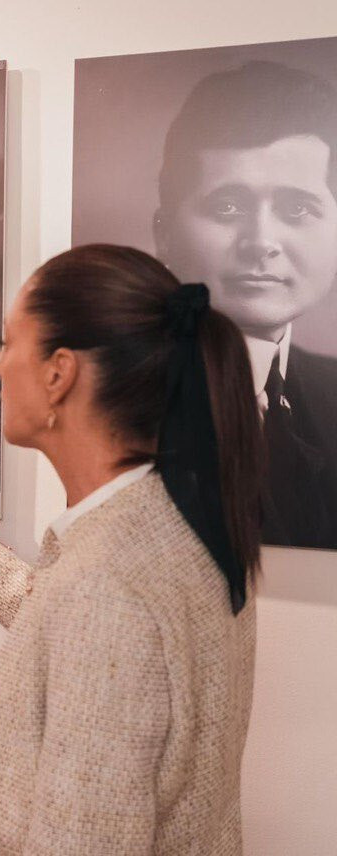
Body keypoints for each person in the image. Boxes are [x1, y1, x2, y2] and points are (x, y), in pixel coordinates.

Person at [0, 244, 263, 854]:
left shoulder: (106, 588)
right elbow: (74, 636)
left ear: (59, 373)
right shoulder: (177, 524)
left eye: (11, 341)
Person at [152, 60, 337, 548]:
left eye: (297, 209)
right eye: (227, 207)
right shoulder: (124, 399)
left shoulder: (329, 389)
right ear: (163, 234)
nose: (261, 242)